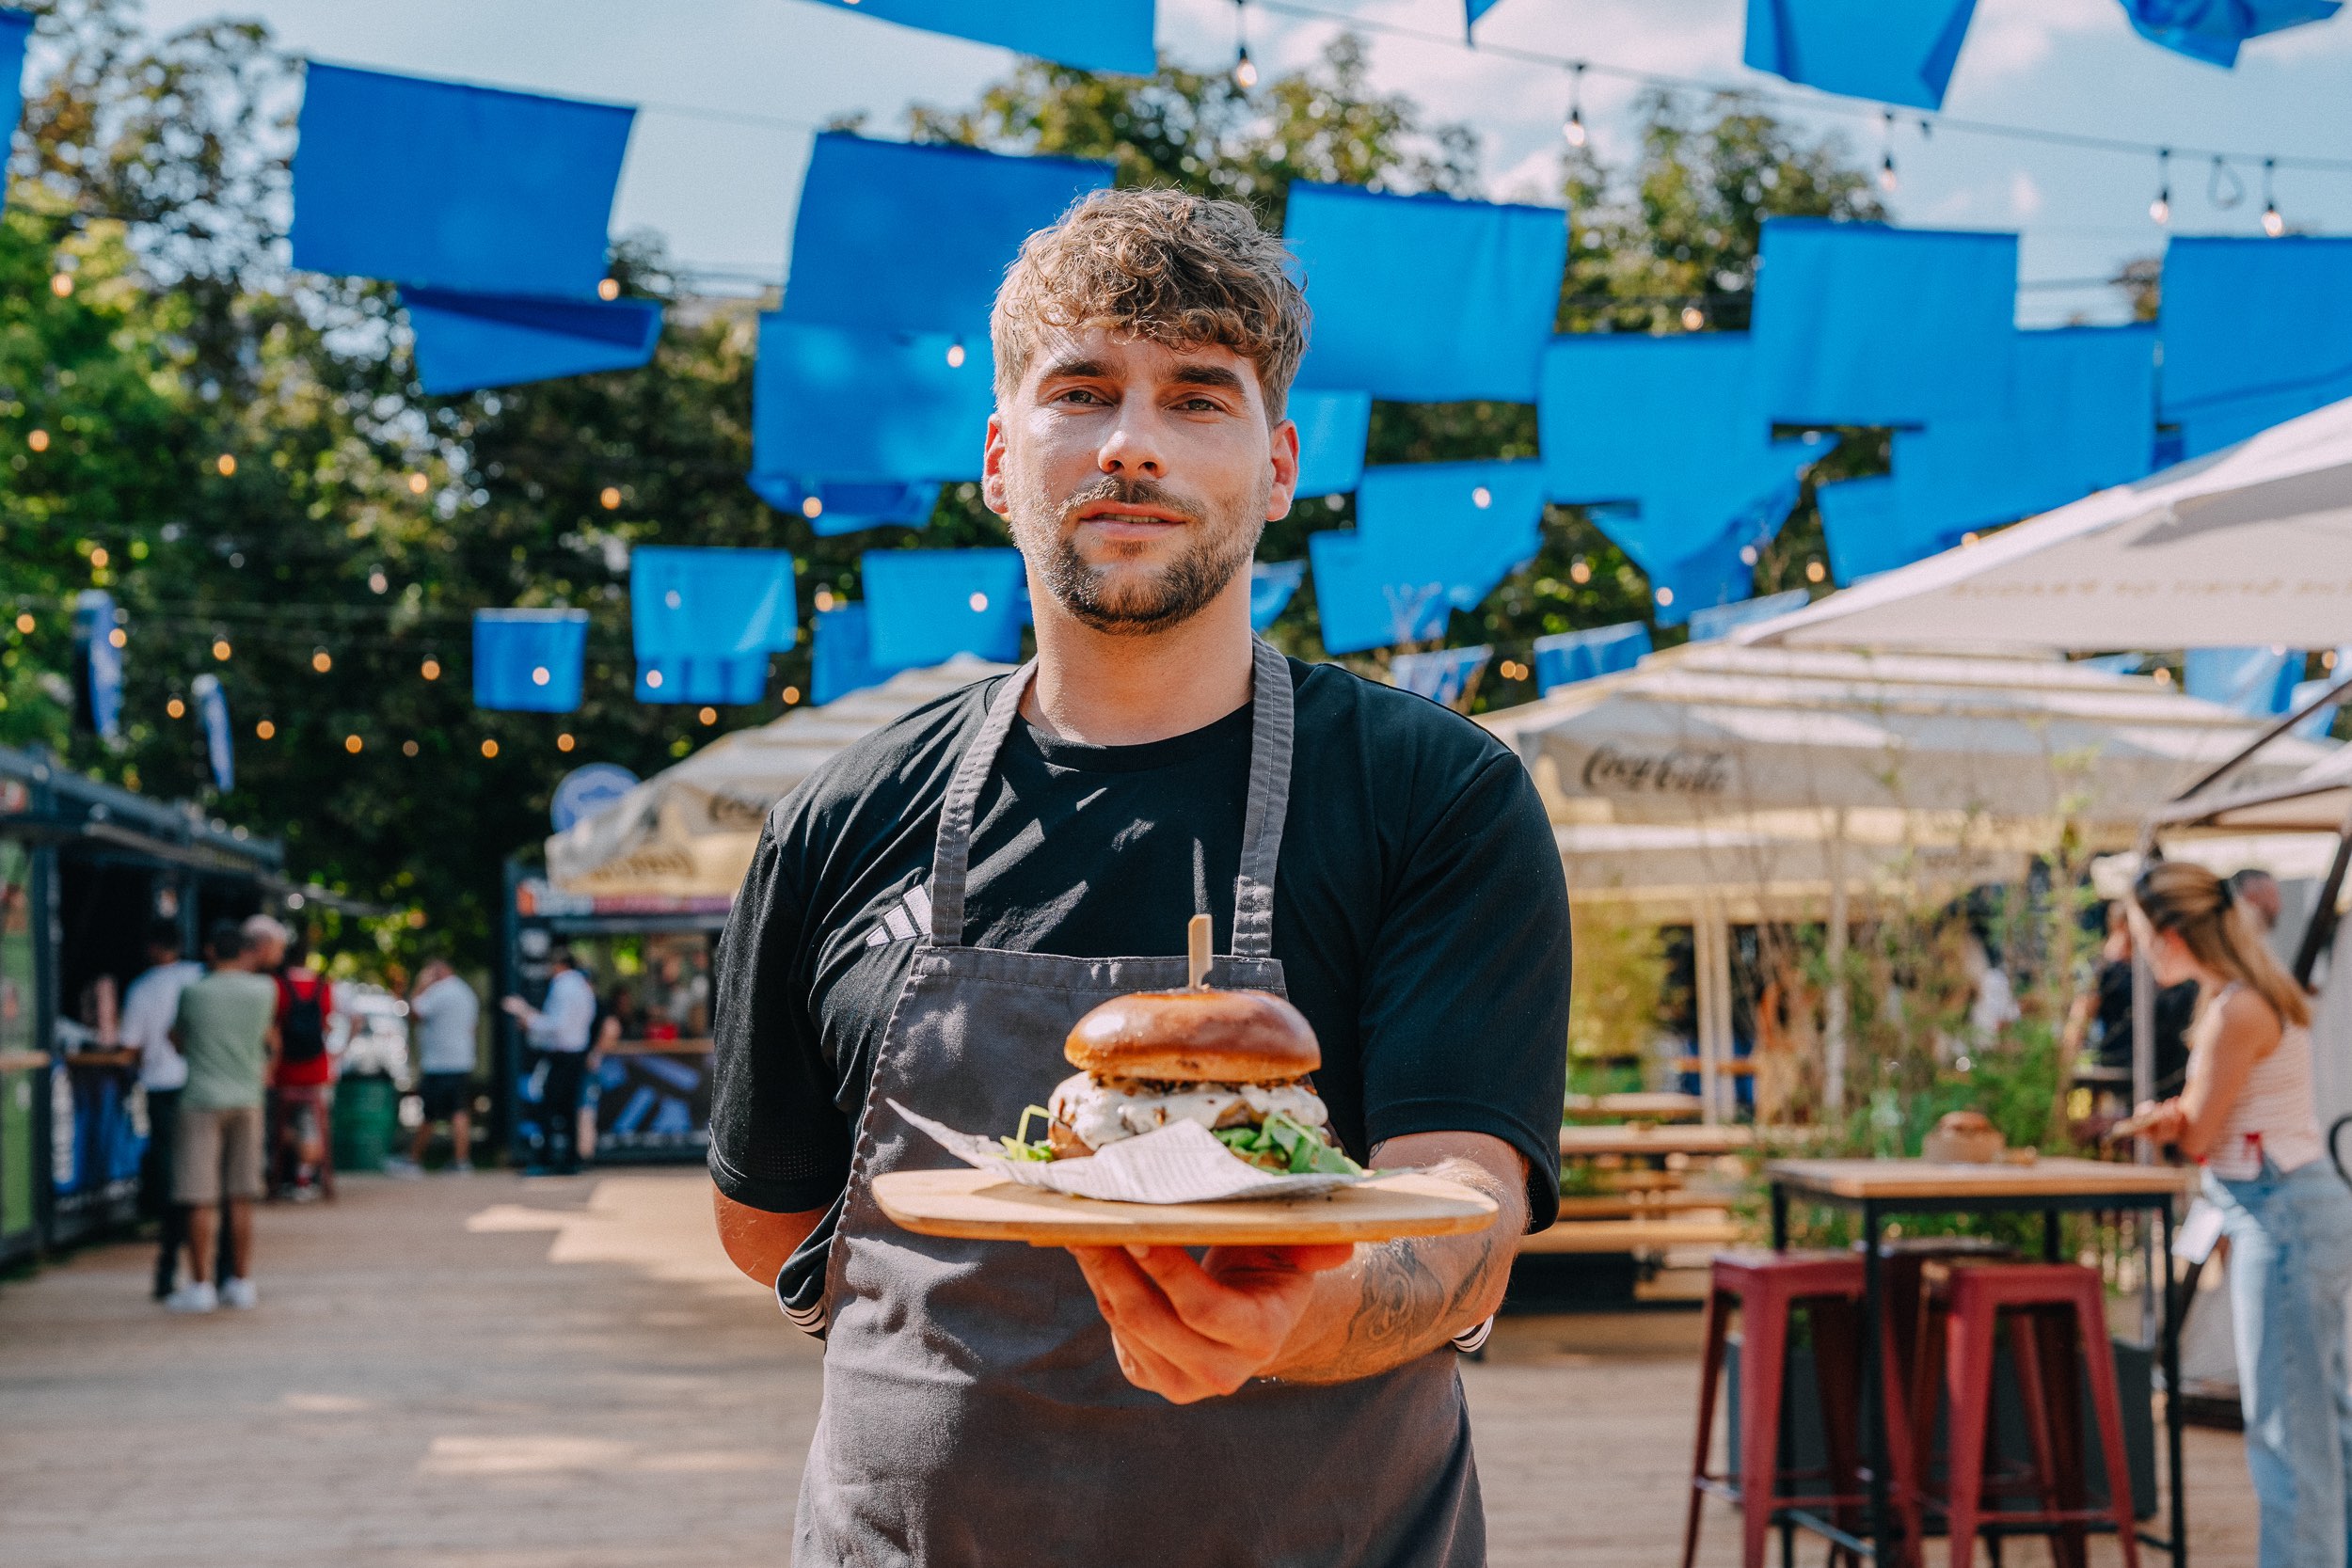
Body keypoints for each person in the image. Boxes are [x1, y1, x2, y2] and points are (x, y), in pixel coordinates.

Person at [707, 188, 1571, 1565]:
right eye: (1084, 389)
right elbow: (770, 1225)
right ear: (1001, 454)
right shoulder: (836, 816)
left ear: (1279, 465)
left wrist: (1294, 1312)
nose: (1130, 444)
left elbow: (1464, 1203)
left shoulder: (1436, 795)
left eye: (1197, 399)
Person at [2128, 861, 2352, 1567]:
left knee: (2289, 1441)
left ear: (2170, 934)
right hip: (2301, 1206)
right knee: (2327, 1428)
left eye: (2139, 934)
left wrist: (2165, 1121)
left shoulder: (2234, 1010)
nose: (2137, 950)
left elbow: (2199, 1132)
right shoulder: (2256, 993)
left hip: (2279, 1214)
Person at [164, 920, 278, 1313]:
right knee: (241, 1195)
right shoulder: (266, 991)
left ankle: (200, 1286)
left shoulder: (194, 992)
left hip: (200, 1099)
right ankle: (240, 1281)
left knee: (200, 1197)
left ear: (211, 951)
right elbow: (268, 1041)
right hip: (248, 1099)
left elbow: (177, 1039)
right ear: (246, 952)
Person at [119, 919, 204, 1299]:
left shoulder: (143, 989)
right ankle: (206, 1269)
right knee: (199, 1176)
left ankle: (173, 1260)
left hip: (163, 1087)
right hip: (201, 1086)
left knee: (175, 1175)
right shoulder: (200, 978)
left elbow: (130, 1046)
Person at [257, 920, 336, 1201]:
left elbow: (272, 1028)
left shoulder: (276, 985)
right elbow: (326, 1024)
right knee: (313, 1125)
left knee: (280, 1121)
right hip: (316, 1066)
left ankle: (283, 1174)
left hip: (284, 1068)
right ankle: (306, 1176)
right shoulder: (322, 985)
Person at [502, 947, 595, 1174]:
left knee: (548, 1107)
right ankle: (570, 1160)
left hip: (563, 1055)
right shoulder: (582, 985)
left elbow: (557, 1024)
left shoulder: (563, 985)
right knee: (567, 1109)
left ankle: (548, 1160)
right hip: (575, 1054)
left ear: (558, 965)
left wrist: (529, 1019)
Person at [395, 958, 479, 1175]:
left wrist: (420, 985)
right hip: (462, 1061)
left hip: (438, 1063)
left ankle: (413, 1161)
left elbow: (414, 1013)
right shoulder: (466, 992)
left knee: (429, 1114)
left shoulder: (438, 992)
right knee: (459, 1111)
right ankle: (462, 1161)